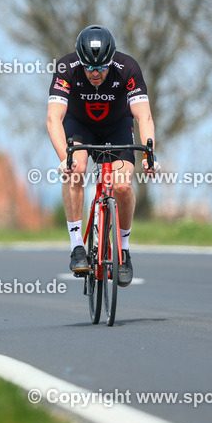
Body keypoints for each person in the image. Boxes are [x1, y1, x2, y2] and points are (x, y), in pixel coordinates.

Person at [46, 25, 157, 286]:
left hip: (117, 126)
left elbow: (144, 115)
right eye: (89, 68)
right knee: (76, 171)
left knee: (122, 185)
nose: (95, 74)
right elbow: (53, 119)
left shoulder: (128, 68)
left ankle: (124, 250)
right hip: (79, 125)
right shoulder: (66, 68)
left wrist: (148, 151)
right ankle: (77, 247)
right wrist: (66, 158)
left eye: (102, 67)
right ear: (79, 61)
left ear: (112, 60)